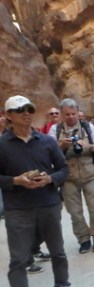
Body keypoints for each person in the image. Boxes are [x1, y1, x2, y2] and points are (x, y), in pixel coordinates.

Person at [0, 95, 72, 287]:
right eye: (19, 109)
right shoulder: (2, 144)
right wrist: (16, 181)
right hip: (18, 209)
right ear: (8, 115)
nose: (26, 113)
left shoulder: (47, 141)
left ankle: (62, 285)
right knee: (19, 258)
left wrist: (50, 179)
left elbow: (63, 169)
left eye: (29, 109)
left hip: (48, 203)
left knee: (57, 251)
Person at [49, 98, 94, 253]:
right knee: (74, 212)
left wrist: (87, 146)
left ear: (77, 112)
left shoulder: (87, 127)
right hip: (67, 177)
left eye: (73, 113)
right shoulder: (55, 130)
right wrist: (62, 145)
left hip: (89, 174)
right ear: (62, 114)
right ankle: (83, 239)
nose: (71, 117)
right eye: (67, 114)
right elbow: (49, 152)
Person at [0, 108, 46, 272]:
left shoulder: (21, 135)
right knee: (20, 226)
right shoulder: (6, 140)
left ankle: (34, 249)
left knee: (41, 223)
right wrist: (15, 180)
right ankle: (25, 260)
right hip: (11, 191)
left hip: (30, 187)